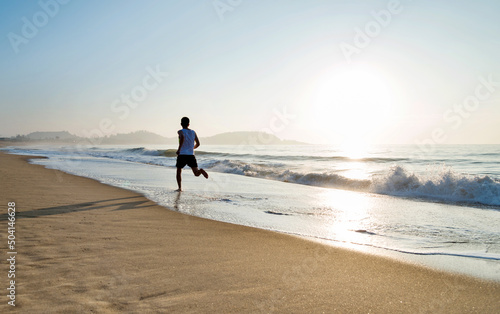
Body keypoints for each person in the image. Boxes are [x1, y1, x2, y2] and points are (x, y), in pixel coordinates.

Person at [175, 117, 208, 191]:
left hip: (182, 154)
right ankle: (201, 171)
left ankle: (179, 188)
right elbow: (198, 143)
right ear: (188, 124)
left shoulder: (180, 131)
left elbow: (182, 138)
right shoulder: (193, 132)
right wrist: (192, 148)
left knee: (179, 171)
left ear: (181, 124)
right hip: (191, 155)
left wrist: (179, 149)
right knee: (196, 173)